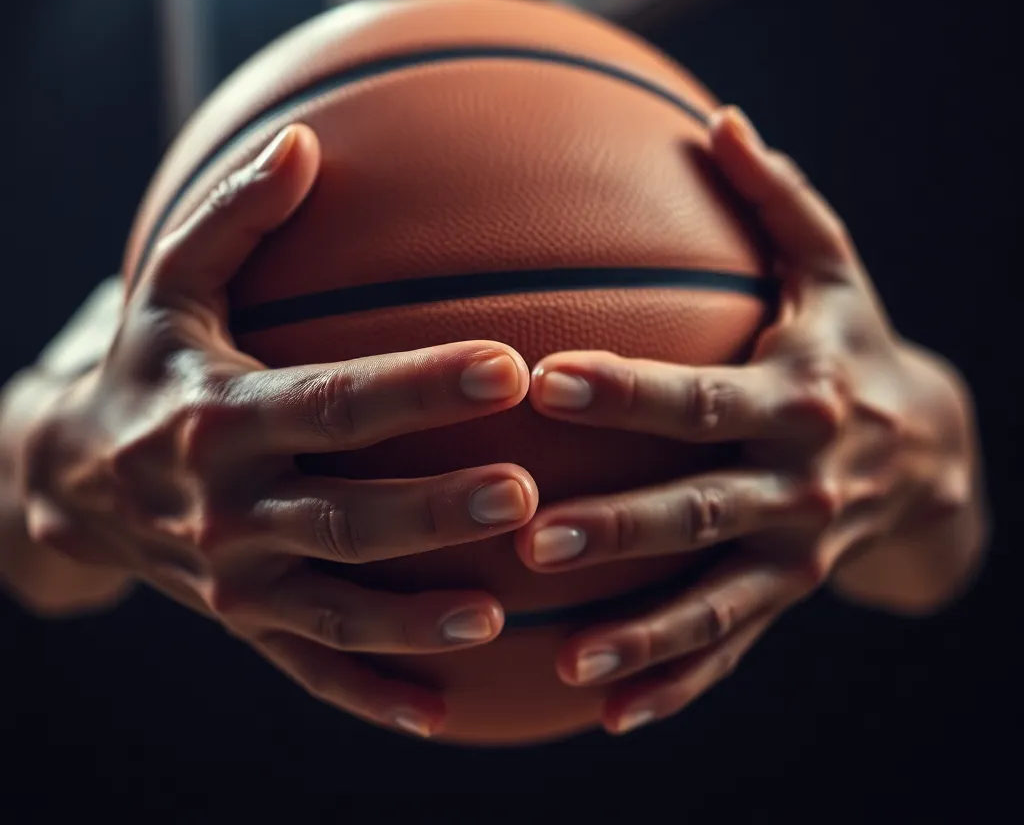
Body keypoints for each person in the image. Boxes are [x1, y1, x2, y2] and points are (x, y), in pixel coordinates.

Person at [0, 108, 988, 740]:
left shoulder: (756, 247)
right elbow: (36, 563)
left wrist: (927, 440)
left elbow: (928, 574)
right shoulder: (157, 313)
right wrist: (56, 458)